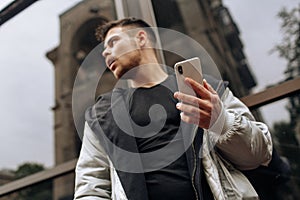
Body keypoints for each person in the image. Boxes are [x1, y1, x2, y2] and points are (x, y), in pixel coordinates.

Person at [74, 17, 272, 200]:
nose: (105, 52)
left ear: (141, 39)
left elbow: (258, 154)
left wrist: (220, 121)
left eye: (113, 42)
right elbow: (90, 188)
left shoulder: (204, 91)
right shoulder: (102, 114)